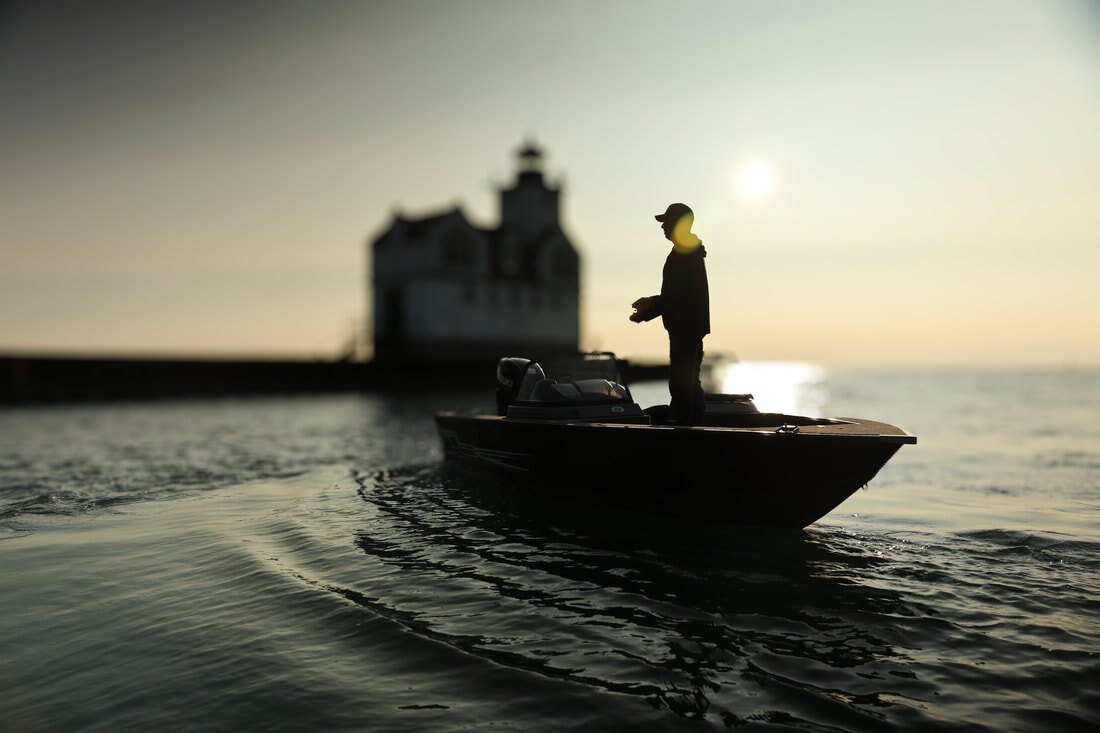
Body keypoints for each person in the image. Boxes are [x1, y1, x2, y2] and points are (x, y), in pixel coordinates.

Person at [629, 202, 710, 426]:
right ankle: (697, 429)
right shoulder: (689, 252)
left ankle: (686, 432)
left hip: (685, 329)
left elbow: (675, 297)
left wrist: (645, 313)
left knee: (681, 386)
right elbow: (677, 294)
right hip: (692, 327)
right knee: (690, 383)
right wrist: (653, 302)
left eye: (667, 222)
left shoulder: (683, 254)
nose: (663, 226)